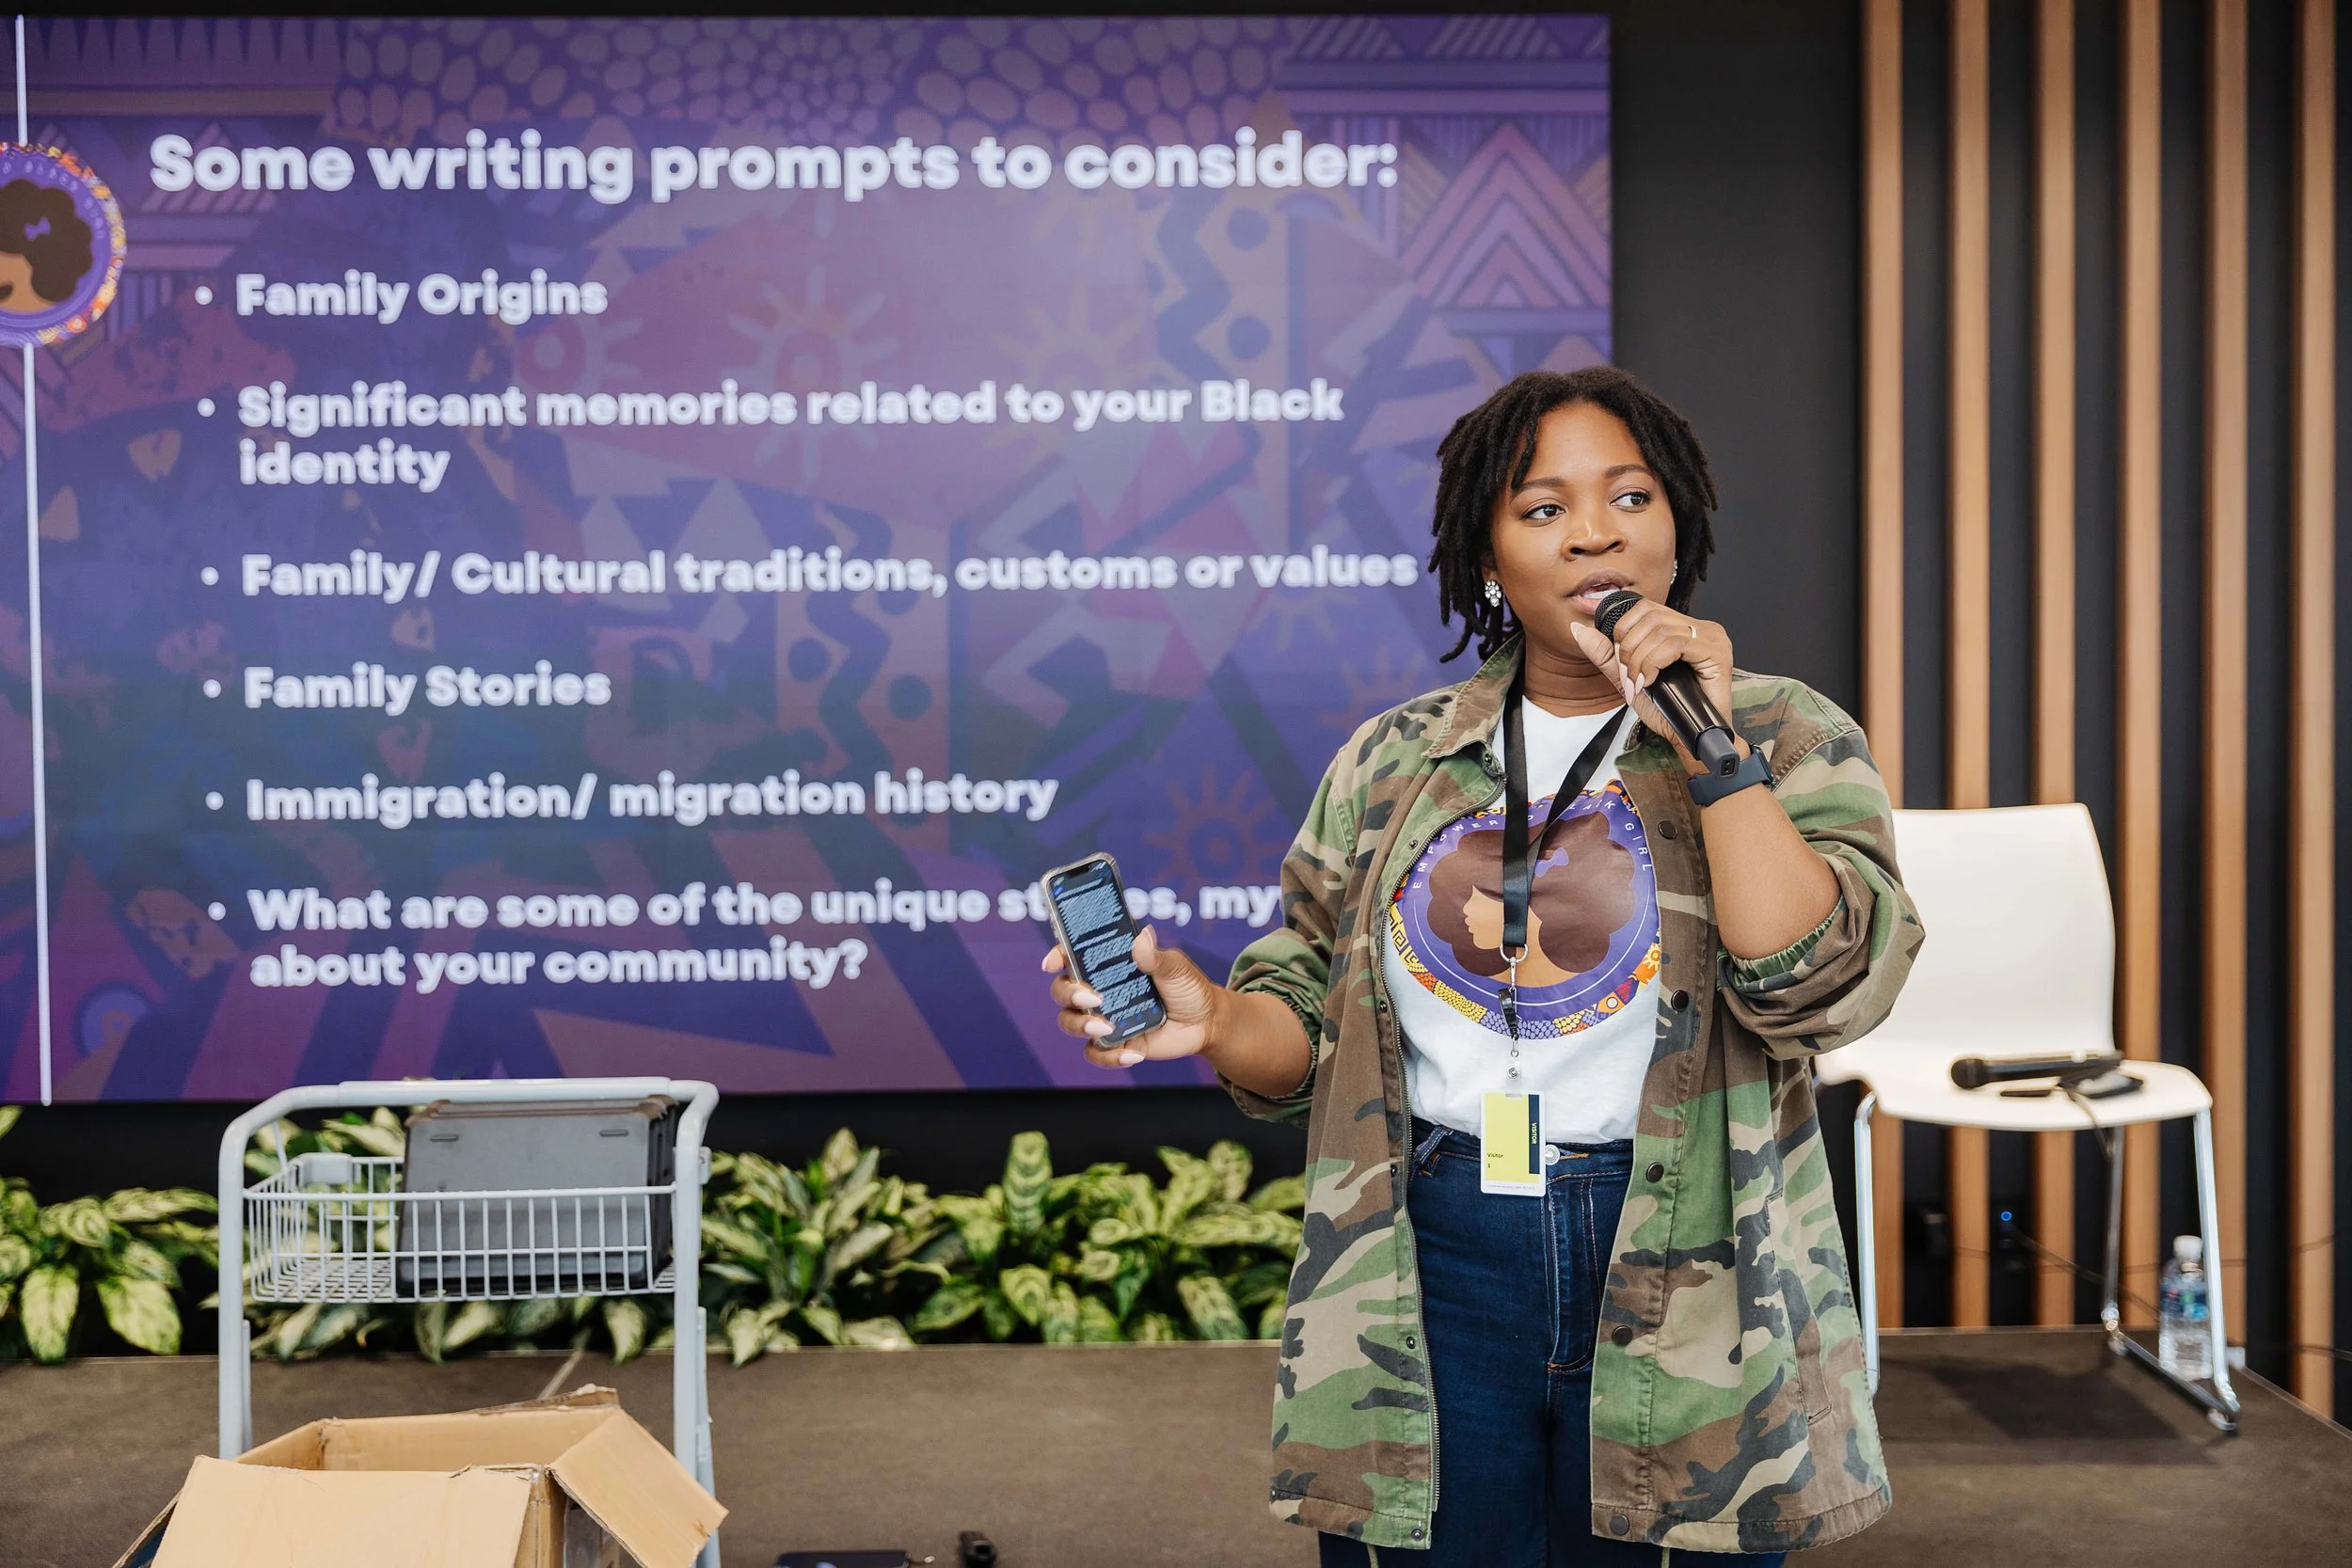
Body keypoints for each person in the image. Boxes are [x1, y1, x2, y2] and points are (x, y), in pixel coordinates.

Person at [1044, 366, 1921, 1563]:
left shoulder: (1782, 732)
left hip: (1689, 1253)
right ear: (1488, 555)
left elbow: (1819, 989)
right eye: (1544, 507)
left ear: (1678, 531)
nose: (1595, 531)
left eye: (1630, 496)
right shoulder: (1395, 758)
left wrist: (1710, 746)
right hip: (1433, 1249)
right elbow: (1303, 1030)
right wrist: (1211, 1019)